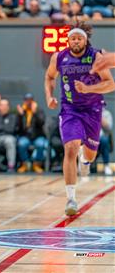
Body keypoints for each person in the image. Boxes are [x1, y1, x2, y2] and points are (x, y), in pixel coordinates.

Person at [44, 22, 115, 216]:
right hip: (70, 109)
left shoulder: (95, 57)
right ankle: (71, 198)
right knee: (70, 148)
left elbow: (110, 84)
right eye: (72, 38)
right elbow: (50, 77)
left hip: (92, 109)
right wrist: (49, 96)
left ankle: (85, 161)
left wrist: (89, 89)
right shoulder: (59, 57)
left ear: (85, 40)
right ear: (68, 40)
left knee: (90, 155)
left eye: (79, 38)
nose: (75, 41)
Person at [16, 93, 47, 173]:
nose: (28, 102)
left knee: (40, 144)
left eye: (30, 100)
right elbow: (18, 127)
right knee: (21, 144)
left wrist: (34, 113)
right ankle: (25, 164)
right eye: (27, 100)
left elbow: (41, 123)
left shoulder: (39, 110)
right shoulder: (22, 111)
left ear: (33, 101)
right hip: (25, 136)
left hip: (37, 135)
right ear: (24, 101)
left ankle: (36, 164)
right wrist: (20, 115)